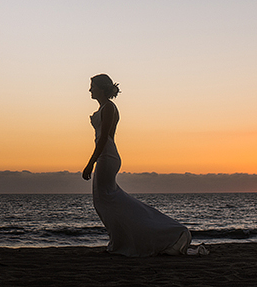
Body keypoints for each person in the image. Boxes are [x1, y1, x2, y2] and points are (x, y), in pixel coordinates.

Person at [83, 74, 207, 257]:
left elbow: (103, 138)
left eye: (92, 86)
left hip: (106, 155)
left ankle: (161, 233)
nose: (90, 90)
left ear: (101, 88)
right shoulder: (104, 107)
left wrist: (90, 162)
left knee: (107, 199)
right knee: (105, 201)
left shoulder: (109, 107)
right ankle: (119, 241)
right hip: (105, 155)